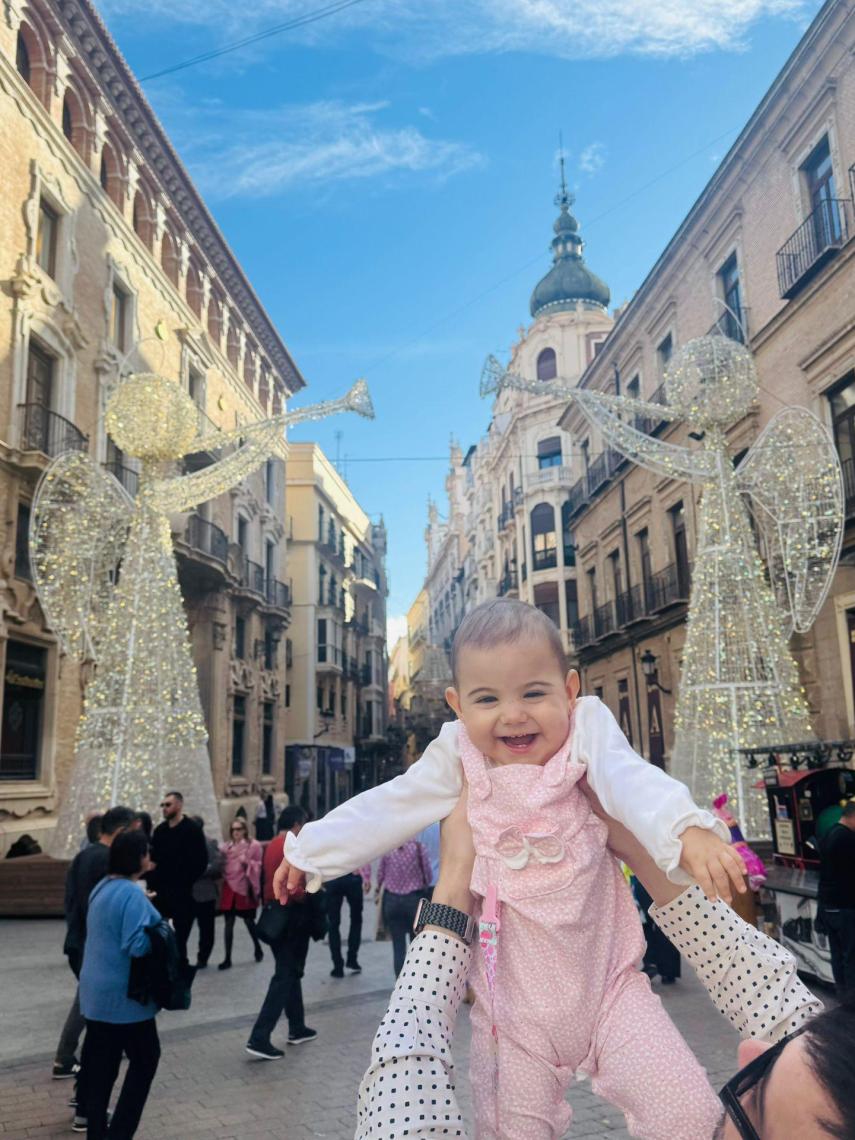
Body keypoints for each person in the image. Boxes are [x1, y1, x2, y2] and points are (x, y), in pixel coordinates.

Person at [276, 599, 746, 1138]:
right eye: (487, 699)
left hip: (614, 989)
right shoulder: (458, 755)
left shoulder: (586, 731)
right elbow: (392, 804)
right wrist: (310, 852)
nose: (513, 713)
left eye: (534, 692)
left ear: (569, 691)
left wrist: (683, 828)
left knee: (688, 1115)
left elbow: (630, 777)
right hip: (512, 1015)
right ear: (457, 706)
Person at [358, 788, 852, 1140]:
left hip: (589, 994)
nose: (748, 1054)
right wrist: (642, 850)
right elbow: (777, 1002)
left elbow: (404, 1105)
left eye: (752, 1109)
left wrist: (451, 894)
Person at [78, 829, 161, 1140]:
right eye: (146, 852)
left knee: (102, 1069)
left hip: (95, 994)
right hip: (124, 999)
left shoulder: (103, 887)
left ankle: (97, 1133)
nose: (149, 857)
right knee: (146, 1058)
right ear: (138, 857)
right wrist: (162, 930)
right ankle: (121, 1132)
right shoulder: (130, 893)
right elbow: (136, 945)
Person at [55, 805, 136, 1081]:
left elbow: (70, 899)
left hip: (78, 938)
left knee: (86, 1000)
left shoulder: (83, 856)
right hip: (94, 943)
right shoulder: (106, 860)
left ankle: (67, 1057)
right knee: (93, 1006)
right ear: (121, 831)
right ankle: (72, 1062)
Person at [246, 806, 324, 1058]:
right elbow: (296, 887)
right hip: (292, 919)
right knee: (284, 976)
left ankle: (297, 1027)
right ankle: (259, 1036)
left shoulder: (271, 845)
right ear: (297, 825)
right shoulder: (292, 847)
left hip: (274, 917)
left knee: (290, 972)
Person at [148, 791, 208, 964]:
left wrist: (185, 879)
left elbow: (200, 862)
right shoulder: (160, 831)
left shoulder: (192, 830)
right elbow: (154, 860)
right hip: (162, 896)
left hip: (183, 896)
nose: (164, 809)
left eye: (168, 805)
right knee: (162, 940)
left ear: (179, 805)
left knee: (180, 941)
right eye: (163, 805)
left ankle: (180, 978)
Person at [377, 838, 433, 977]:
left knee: (398, 946)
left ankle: (399, 981)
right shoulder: (418, 848)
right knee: (416, 945)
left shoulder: (388, 849)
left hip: (392, 901)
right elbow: (428, 875)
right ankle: (414, 981)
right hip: (413, 902)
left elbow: (380, 875)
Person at [818, 799, 855, 994]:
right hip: (846, 905)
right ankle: (852, 995)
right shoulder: (847, 839)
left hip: (829, 905)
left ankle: (843, 994)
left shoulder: (830, 833)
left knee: (838, 953)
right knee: (851, 955)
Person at [218, 816, 264, 969]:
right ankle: (227, 958)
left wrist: (247, 862)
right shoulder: (226, 848)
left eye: (239, 829)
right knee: (228, 923)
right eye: (233, 829)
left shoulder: (254, 846)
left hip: (245, 888)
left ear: (245, 830)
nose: (236, 832)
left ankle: (257, 947)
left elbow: (259, 865)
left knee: (249, 922)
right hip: (229, 887)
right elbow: (221, 863)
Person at [326, 865, 371, 978]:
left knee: (333, 924)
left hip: (332, 877)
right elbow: (363, 852)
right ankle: (352, 959)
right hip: (352, 877)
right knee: (356, 920)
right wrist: (366, 877)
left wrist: (321, 877)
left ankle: (337, 965)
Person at [190, 816, 222, 969]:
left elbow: (217, 865)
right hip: (187, 893)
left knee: (206, 928)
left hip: (205, 892)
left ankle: (203, 957)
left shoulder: (209, 843)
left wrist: (200, 870)